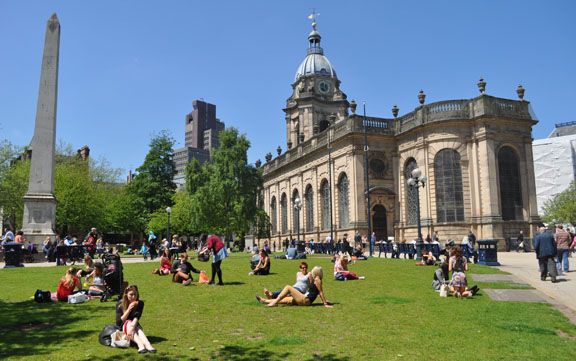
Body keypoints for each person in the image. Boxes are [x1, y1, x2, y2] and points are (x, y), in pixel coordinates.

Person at [256, 266, 333, 308]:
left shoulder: (317, 279)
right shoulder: (315, 279)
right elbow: (317, 292)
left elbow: (321, 292)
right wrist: (323, 301)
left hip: (306, 300)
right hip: (304, 298)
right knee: (284, 300)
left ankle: (273, 303)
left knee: (288, 287)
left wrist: (325, 303)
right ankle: (264, 300)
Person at [116, 285, 156, 353]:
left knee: (138, 328)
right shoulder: (120, 304)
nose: (133, 297)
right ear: (126, 295)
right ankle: (140, 345)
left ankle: (148, 345)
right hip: (123, 327)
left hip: (134, 325)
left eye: (135, 294)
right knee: (128, 322)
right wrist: (128, 309)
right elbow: (119, 322)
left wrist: (132, 328)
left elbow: (137, 317)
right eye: (131, 295)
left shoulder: (140, 303)